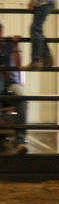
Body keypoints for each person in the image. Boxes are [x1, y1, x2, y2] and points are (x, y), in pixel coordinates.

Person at [0, 21, 28, 154]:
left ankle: (21, 140)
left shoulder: (10, 43)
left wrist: (15, 46)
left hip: (11, 81)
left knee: (22, 98)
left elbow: (18, 65)